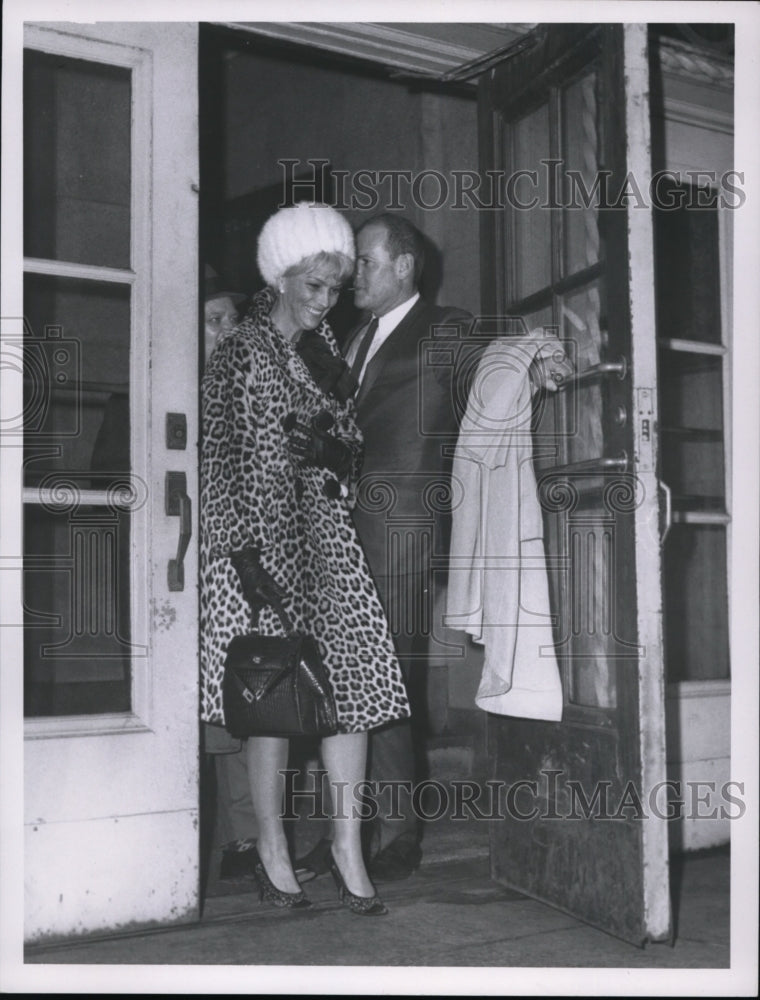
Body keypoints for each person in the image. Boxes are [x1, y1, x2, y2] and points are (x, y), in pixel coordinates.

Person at [200, 203, 409, 915]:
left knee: (351, 693)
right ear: (282, 276)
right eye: (314, 285)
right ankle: (272, 851)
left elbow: (349, 450)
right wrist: (241, 553)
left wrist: (336, 453)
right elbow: (219, 459)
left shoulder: (325, 353)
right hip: (260, 541)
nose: (326, 300)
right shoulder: (239, 349)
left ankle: (347, 847)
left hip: (326, 536)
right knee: (274, 701)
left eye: (334, 286)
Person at [345, 213, 473, 882]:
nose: (353, 274)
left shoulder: (446, 329)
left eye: (365, 261)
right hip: (341, 532)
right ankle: (347, 830)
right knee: (344, 678)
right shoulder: (353, 338)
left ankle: (399, 830)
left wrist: (540, 352)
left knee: (390, 678)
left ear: (402, 267)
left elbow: (501, 356)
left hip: (400, 532)